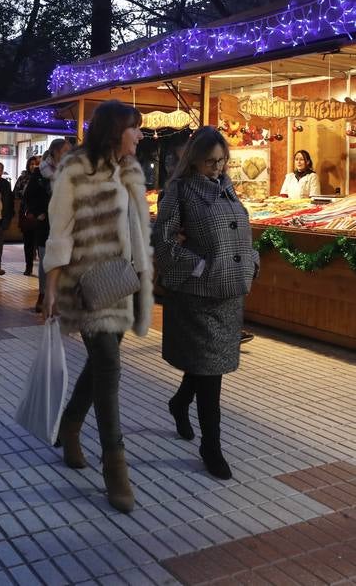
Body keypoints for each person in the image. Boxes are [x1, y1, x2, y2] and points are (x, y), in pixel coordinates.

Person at [43, 101, 153, 514]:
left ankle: (71, 426)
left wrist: (142, 277)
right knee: (108, 366)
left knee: (101, 363)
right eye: (135, 129)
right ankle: (115, 463)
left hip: (120, 284)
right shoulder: (76, 170)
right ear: (114, 131)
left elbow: (138, 231)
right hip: (84, 285)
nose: (140, 136)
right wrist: (51, 286)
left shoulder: (129, 171)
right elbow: (60, 229)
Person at [152, 126, 260, 481]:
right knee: (211, 371)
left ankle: (180, 402)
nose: (217, 168)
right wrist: (197, 266)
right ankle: (210, 446)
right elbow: (164, 242)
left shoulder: (228, 188)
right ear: (193, 160)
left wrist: (252, 260)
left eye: (222, 161)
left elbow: (241, 229)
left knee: (207, 364)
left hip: (229, 294)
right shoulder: (180, 191)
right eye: (210, 162)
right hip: (198, 294)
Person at [26, 139, 71, 313]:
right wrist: (39, 212)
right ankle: (43, 295)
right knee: (47, 262)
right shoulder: (39, 174)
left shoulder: (71, 173)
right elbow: (29, 196)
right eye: (65, 151)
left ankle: (60, 299)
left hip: (66, 225)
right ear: (54, 153)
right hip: (46, 225)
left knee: (64, 262)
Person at [13, 156, 41, 275]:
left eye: (36, 164)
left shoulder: (43, 178)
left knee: (40, 242)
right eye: (31, 164)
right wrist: (24, 192)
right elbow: (15, 193)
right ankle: (28, 266)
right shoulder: (23, 178)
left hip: (40, 214)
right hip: (26, 213)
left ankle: (42, 267)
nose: (33, 166)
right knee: (28, 241)